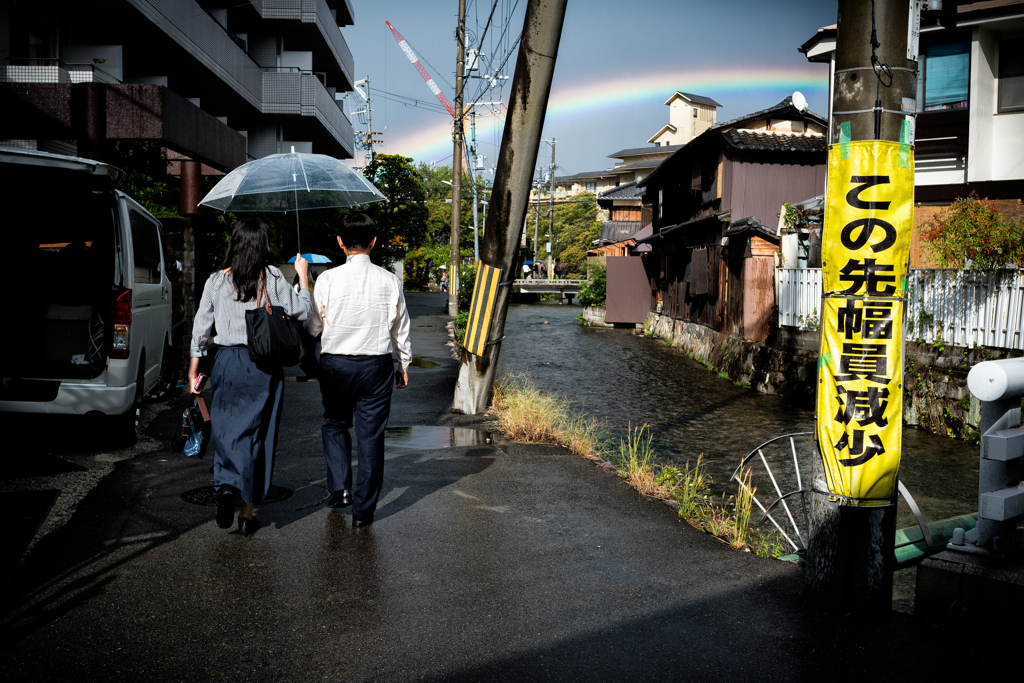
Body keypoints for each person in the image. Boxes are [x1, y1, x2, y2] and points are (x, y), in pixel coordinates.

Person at [189, 218, 315, 535]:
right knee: (259, 435)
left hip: (226, 362)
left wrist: (194, 366)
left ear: (235, 243)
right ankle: (247, 511)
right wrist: (303, 281)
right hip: (263, 364)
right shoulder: (270, 276)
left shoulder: (216, 281)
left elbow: (201, 328)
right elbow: (303, 312)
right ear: (263, 245)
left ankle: (227, 485)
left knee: (226, 428)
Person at [307, 211, 411, 528]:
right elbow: (401, 328)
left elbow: (314, 327)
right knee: (371, 438)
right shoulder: (390, 280)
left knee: (335, 424)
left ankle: (340, 489)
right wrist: (403, 364)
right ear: (374, 242)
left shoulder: (326, 279)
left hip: (336, 364)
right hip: (377, 365)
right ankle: (363, 512)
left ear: (340, 243)